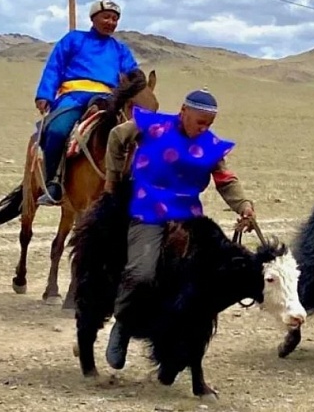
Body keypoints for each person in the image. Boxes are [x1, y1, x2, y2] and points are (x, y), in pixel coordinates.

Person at [103, 89, 256, 370]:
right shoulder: (151, 125)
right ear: (184, 110)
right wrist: (113, 179)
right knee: (142, 272)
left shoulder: (210, 145)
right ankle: (123, 324)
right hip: (148, 210)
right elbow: (116, 137)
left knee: (196, 283)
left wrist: (243, 205)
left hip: (188, 219)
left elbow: (224, 179)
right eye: (200, 122)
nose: (204, 128)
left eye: (209, 124)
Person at [34, 0, 139, 206]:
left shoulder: (120, 49)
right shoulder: (74, 39)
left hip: (107, 97)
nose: (110, 22)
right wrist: (45, 94)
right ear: (93, 18)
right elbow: (55, 66)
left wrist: (138, 81)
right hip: (73, 95)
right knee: (57, 130)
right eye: (106, 17)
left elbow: (132, 73)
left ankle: (132, 182)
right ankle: (54, 183)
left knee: (132, 134)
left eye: (114, 19)